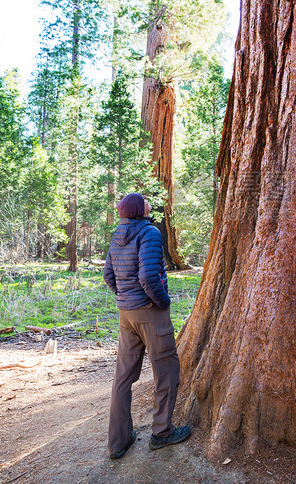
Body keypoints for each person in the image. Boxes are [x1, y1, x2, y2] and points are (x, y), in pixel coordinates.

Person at [103, 192, 190, 460]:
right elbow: (148, 276)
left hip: (125, 314)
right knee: (166, 369)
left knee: (123, 377)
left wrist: (124, 297)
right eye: (144, 201)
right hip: (150, 312)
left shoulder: (118, 234)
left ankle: (118, 443)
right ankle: (162, 432)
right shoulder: (149, 232)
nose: (149, 202)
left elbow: (108, 275)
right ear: (139, 210)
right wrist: (162, 302)